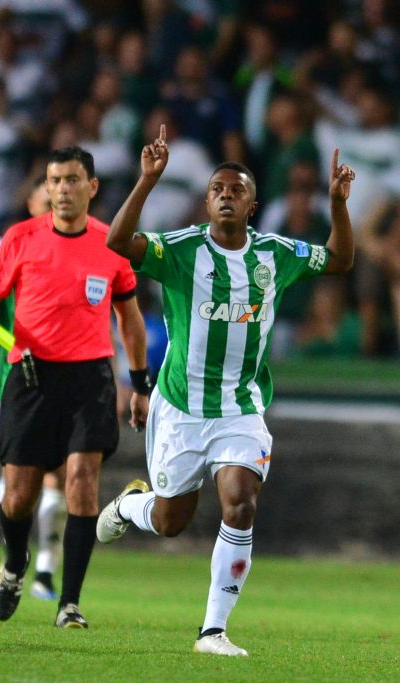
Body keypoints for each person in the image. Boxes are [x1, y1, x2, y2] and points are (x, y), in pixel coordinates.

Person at [97, 125, 355, 656]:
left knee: (240, 505)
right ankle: (130, 508)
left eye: (237, 189)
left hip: (240, 409)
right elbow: (117, 242)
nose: (226, 195)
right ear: (206, 201)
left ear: (254, 205)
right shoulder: (180, 250)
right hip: (180, 407)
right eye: (217, 189)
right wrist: (147, 181)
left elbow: (340, 259)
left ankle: (212, 630)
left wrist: (337, 204)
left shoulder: (275, 255)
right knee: (170, 522)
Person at [0, 146, 150, 629]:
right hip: (30, 376)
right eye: (55, 181)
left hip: (89, 377)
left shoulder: (111, 242)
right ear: (45, 188)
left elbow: (129, 319)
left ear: (91, 187)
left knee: (82, 483)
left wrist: (139, 384)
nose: (62, 189)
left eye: (72, 180)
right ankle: (14, 562)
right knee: (19, 496)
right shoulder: (20, 238)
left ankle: (69, 602)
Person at [0, 180, 68, 601]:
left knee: (62, 476)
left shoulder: (79, 248)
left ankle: (46, 569)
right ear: (29, 204)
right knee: (18, 480)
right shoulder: (4, 248)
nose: (53, 208)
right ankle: (16, 552)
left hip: (68, 381)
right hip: (16, 382)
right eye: (45, 201)